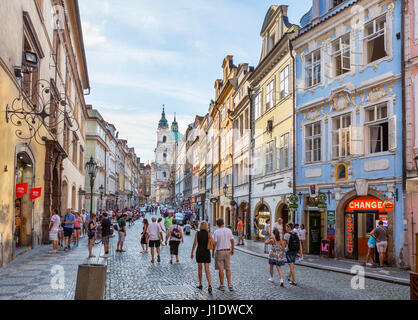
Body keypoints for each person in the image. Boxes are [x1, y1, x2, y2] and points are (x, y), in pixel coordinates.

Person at [191, 222, 213, 294]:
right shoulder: (208, 233)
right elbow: (213, 242)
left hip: (199, 252)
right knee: (207, 269)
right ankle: (209, 285)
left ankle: (200, 284)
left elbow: (195, 243)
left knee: (199, 269)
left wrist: (192, 252)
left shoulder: (197, 233)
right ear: (206, 226)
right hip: (206, 252)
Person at [212, 218, 234, 292]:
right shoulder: (229, 230)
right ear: (223, 223)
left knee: (221, 269)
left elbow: (214, 243)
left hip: (219, 251)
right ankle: (229, 284)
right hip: (227, 251)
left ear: (217, 224)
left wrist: (212, 251)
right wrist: (233, 249)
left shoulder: (216, 232)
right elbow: (232, 240)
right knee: (228, 268)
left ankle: (222, 285)